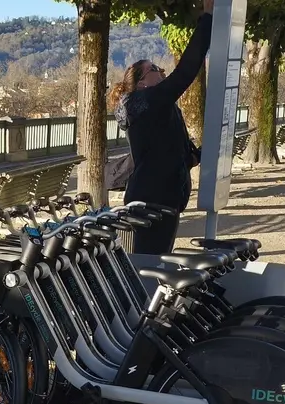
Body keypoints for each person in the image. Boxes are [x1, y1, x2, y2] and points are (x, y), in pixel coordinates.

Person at [109, 1, 214, 256]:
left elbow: (170, 153)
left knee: (158, 262)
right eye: (155, 69)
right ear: (141, 83)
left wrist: (199, 155)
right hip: (150, 203)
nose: (162, 71)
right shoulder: (142, 102)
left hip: (165, 200)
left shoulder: (159, 106)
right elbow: (185, 72)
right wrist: (207, 19)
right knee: (149, 266)